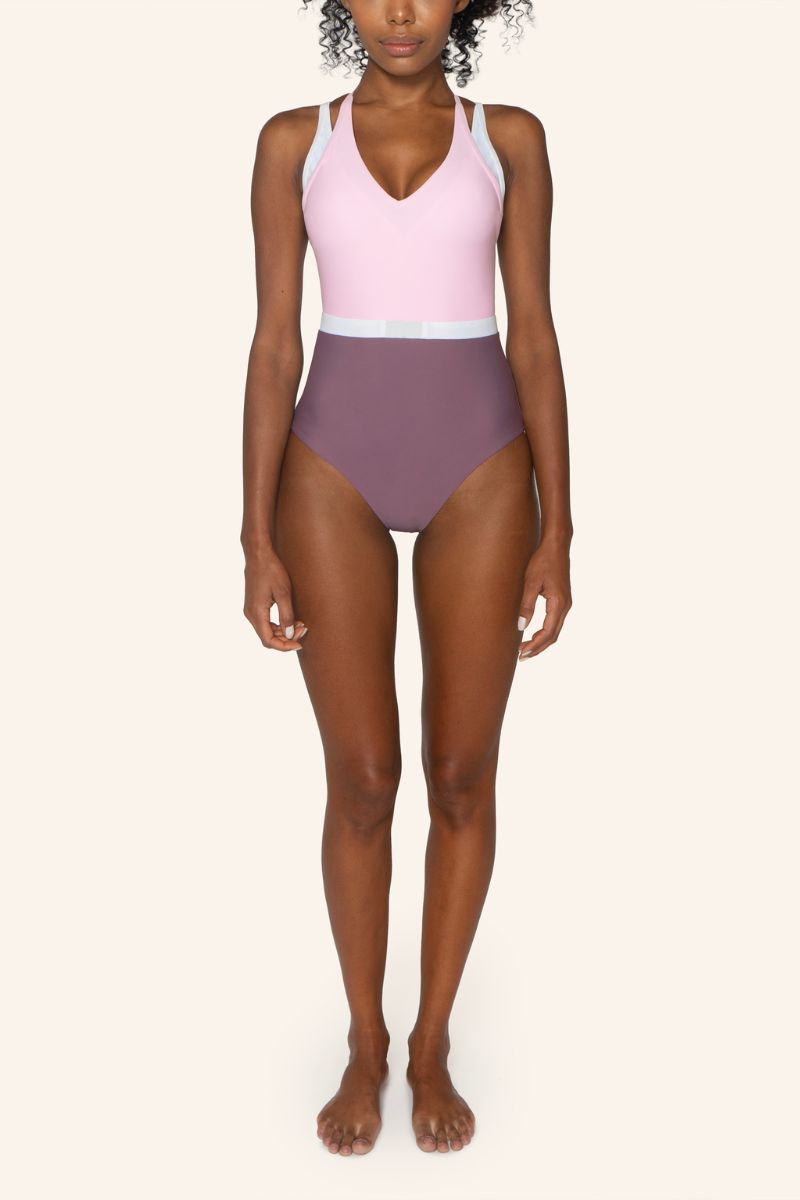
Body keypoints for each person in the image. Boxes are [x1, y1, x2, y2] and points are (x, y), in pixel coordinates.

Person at [240, 0, 572, 1157]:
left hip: (480, 462)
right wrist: (255, 537)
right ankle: (364, 1040)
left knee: (461, 773)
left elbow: (532, 336)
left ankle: (429, 1042)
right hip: (327, 462)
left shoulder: (508, 138)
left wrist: (558, 531)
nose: (398, 12)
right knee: (364, 779)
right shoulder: (293, 141)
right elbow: (273, 344)